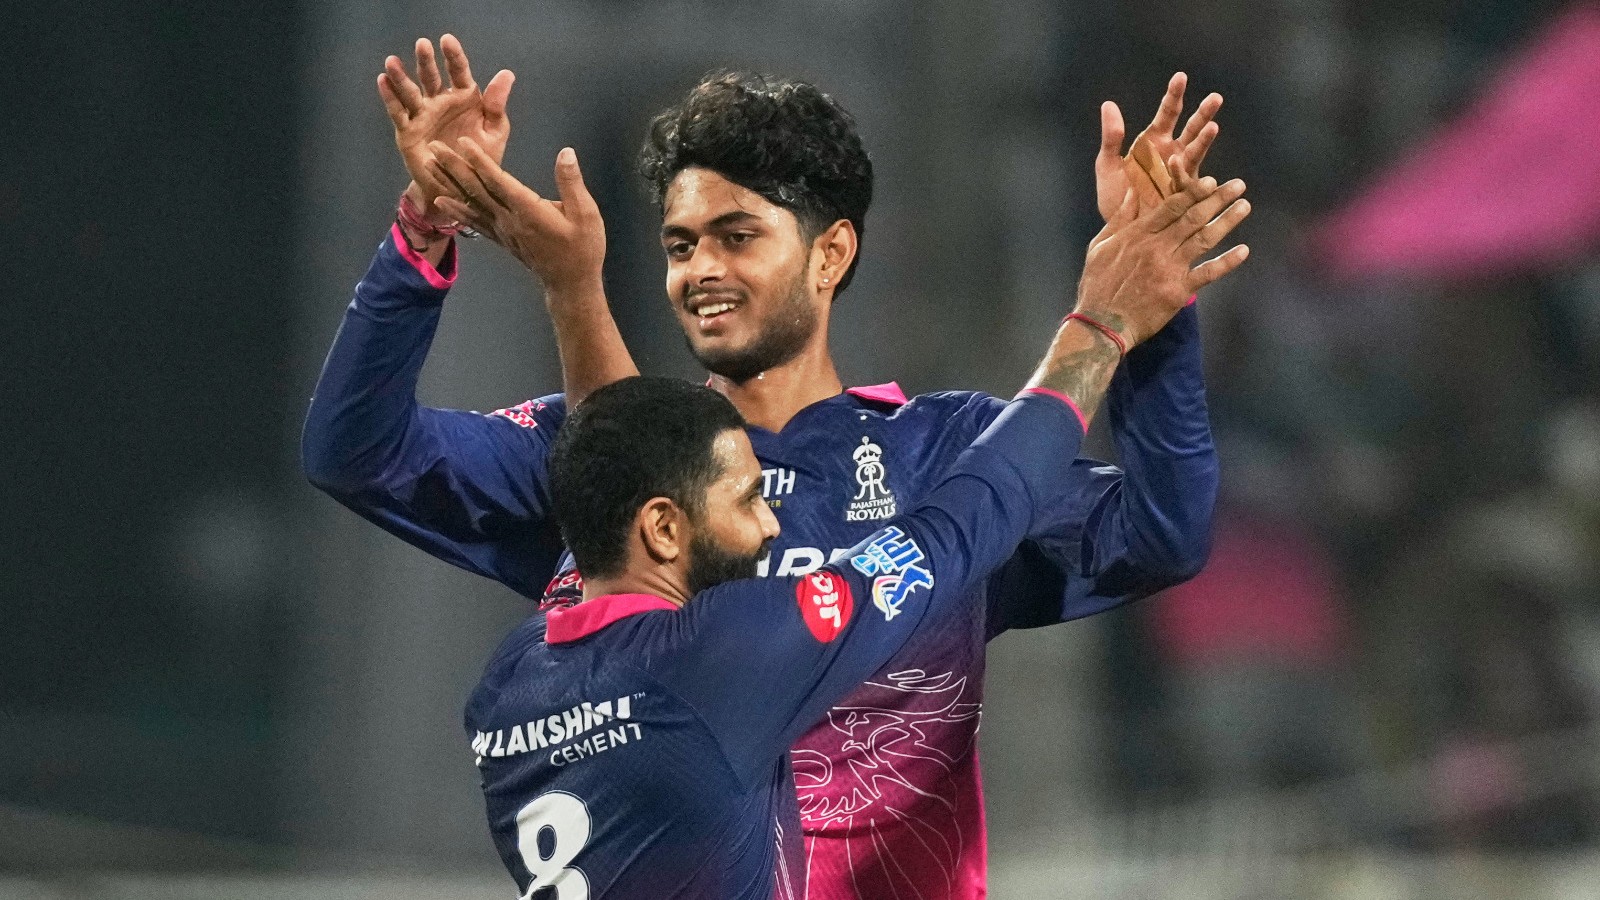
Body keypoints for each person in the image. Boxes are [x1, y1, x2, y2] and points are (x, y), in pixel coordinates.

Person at [303, 35, 1236, 897]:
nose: (699, 269)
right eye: (679, 244)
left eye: (737, 235)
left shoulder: (939, 448)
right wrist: (422, 229)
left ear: (831, 252)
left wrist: (1156, 300)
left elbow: (1161, 534)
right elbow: (358, 451)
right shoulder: (605, 464)